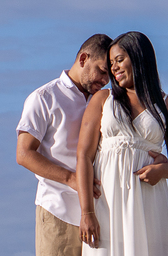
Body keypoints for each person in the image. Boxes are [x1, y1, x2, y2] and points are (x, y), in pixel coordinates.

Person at [76, 31, 168, 256]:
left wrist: (163, 170)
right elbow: (83, 156)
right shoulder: (103, 100)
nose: (114, 68)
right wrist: (87, 212)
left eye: (119, 60)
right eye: (111, 63)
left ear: (139, 57)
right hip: (107, 203)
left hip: (150, 201)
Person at [18, 34, 114, 256]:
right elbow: (23, 154)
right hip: (58, 212)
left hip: (103, 215)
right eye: (102, 71)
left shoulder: (107, 102)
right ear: (83, 59)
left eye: (109, 75)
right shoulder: (44, 97)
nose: (105, 80)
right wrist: (72, 179)